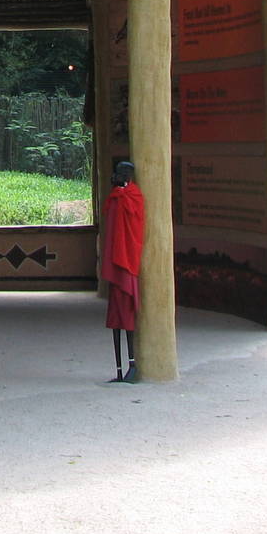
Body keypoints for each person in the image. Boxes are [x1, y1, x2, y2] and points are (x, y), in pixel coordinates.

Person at [101, 159, 146, 383]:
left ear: (127, 175)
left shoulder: (131, 197)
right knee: (116, 321)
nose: (115, 177)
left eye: (119, 173)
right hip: (117, 265)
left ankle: (131, 366)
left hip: (126, 265)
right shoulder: (116, 197)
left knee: (127, 321)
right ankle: (119, 370)